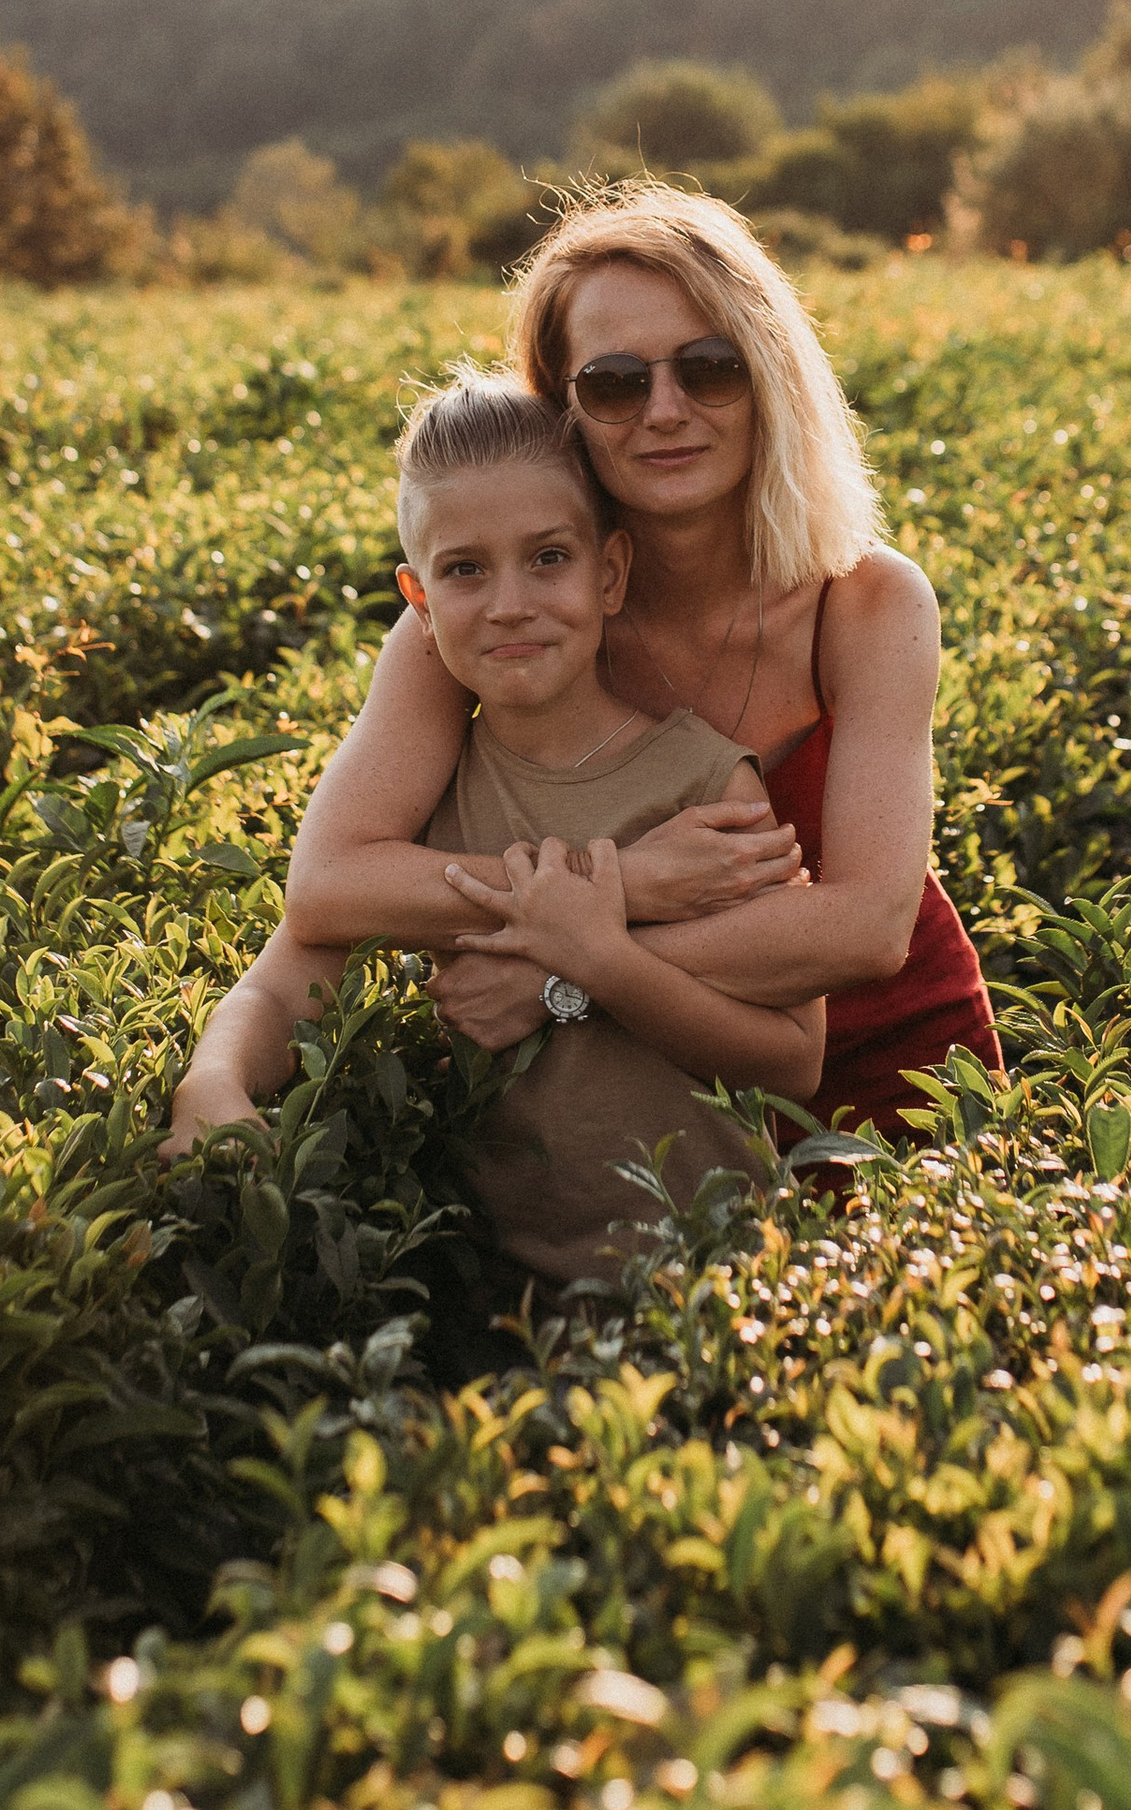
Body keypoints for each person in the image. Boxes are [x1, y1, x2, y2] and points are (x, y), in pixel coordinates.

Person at [268, 181, 999, 1136]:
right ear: (561, 405)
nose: (665, 409)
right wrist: (619, 888)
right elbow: (331, 884)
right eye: (616, 381)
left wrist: (563, 967)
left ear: (770, 375)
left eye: (709, 367)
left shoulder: (866, 603)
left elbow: (865, 927)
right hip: (645, 1098)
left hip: (897, 1077)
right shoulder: (515, 612)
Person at [171, 369, 821, 1283]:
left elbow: (796, 1056)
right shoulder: (428, 814)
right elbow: (288, 974)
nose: (509, 601)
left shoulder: (707, 789)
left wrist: (597, 960)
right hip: (498, 1294)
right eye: (465, 569)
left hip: (718, 1271)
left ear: (612, 573)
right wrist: (212, 1081)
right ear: (419, 601)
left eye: (549, 556)